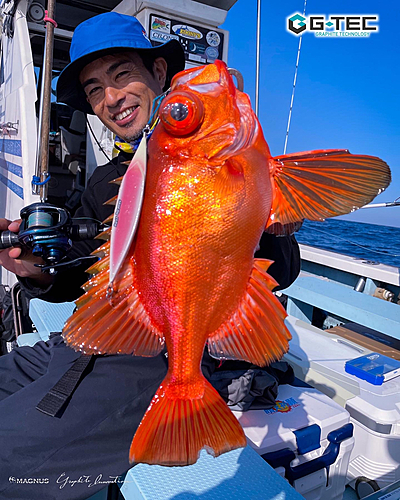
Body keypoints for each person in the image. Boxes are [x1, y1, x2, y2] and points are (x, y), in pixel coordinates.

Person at [0, 12, 300, 499]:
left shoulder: (234, 161)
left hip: (149, 362)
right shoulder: (103, 182)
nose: (110, 98)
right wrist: (33, 272)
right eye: (95, 89)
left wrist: (280, 225)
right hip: (77, 344)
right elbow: (80, 271)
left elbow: (282, 272)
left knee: (7, 458)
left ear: (159, 74)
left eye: (121, 75)